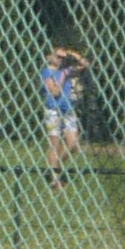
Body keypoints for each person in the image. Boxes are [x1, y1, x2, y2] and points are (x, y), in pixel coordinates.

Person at [40, 46, 87, 180]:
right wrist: (63, 76)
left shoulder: (66, 69)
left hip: (68, 109)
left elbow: (85, 65)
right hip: (54, 110)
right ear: (50, 57)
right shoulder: (48, 72)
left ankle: (56, 166)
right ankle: (55, 178)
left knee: (73, 144)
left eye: (63, 58)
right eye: (58, 56)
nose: (61, 60)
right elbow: (55, 92)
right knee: (55, 144)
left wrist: (72, 53)